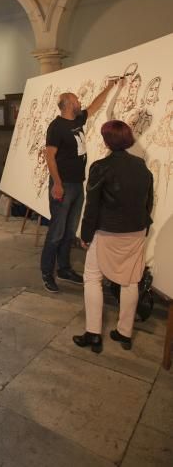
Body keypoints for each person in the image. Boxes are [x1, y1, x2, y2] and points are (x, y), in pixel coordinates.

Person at [73, 121, 154, 353]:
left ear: (107, 141)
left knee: (91, 278)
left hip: (107, 232)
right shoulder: (141, 166)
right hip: (136, 231)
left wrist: (85, 235)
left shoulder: (100, 167)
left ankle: (93, 334)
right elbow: (149, 201)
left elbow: (92, 206)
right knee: (130, 280)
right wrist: (143, 226)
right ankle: (125, 333)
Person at [41, 80, 118, 293]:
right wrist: (57, 184)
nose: (79, 101)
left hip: (77, 184)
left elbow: (94, 107)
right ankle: (47, 272)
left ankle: (64, 268)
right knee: (56, 231)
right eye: (76, 99)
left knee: (69, 230)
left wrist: (110, 87)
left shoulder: (77, 120)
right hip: (63, 185)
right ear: (67, 104)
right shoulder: (56, 127)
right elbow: (50, 157)